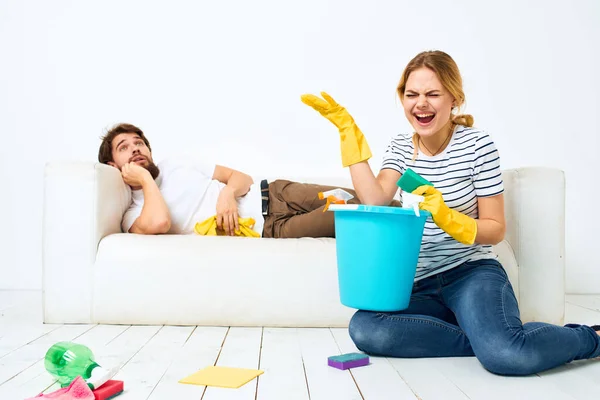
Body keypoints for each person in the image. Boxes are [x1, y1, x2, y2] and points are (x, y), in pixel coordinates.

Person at [301, 50, 600, 376]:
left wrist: (448, 217)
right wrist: (348, 132)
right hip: (419, 283)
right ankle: (488, 339)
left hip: (472, 274)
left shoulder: (477, 145)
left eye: (433, 94)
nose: (421, 104)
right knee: (366, 328)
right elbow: (375, 197)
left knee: (508, 358)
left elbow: (495, 228)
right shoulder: (401, 147)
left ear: (454, 99)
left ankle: (588, 338)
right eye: (411, 94)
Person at [97, 123, 364, 238]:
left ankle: (400, 203)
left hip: (274, 192)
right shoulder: (132, 214)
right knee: (357, 215)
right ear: (112, 166)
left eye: (140, 143)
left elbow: (241, 178)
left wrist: (227, 194)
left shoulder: (177, 163)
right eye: (124, 147)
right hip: (271, 228)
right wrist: (144, 178)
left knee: (362, 197)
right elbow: (160, 222)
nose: (135, 149)